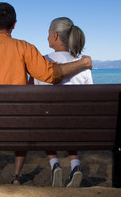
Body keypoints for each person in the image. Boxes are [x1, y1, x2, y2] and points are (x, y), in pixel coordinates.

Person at [0, 3, 92, 186]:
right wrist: (82, 64)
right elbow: (50, 74)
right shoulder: (24, 48)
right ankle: (17, 176)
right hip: (16, 124)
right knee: (23, 114)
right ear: (14, 24)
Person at [31, 17, 93, 188]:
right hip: (75, 127)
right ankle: (75, 165)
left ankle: (54, 163)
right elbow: (90, 100)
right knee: (70, 119)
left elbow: (31, 98)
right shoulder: (84, 66)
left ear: (55, 35)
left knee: (43, 119)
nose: (47, 37)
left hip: (48, 125)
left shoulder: (41, 63)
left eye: (48, 34)